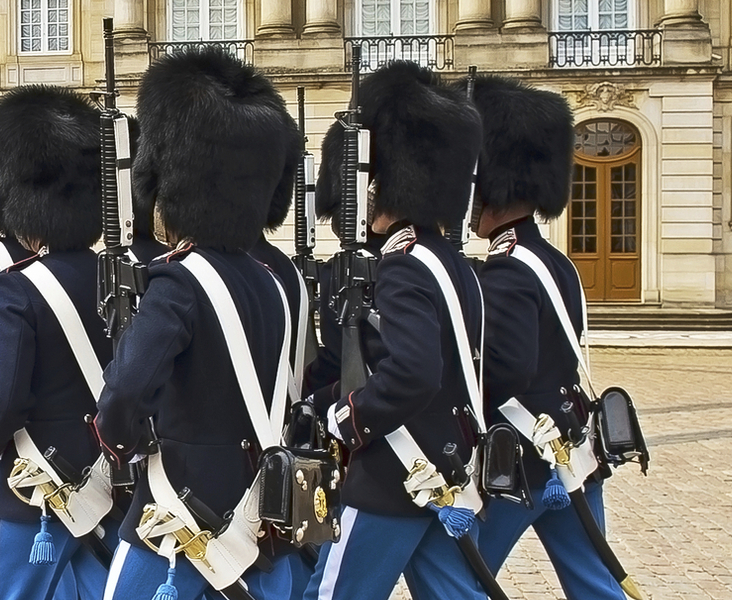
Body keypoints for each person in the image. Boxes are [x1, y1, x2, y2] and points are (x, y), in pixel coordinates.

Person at [96, 48, 305, 600]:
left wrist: (121, 441)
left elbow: (124, 394)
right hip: (259, 508)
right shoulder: (270, 281)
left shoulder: (177, 282)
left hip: (180, 510)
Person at [301, 61, 490, 600]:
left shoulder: (403, 263)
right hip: (448, 461)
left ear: (376, 183)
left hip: (396, 472)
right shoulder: (451, 261)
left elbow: (413, 371)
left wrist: (344, 417)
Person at [459, 75, 626, 599]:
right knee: (594, 581)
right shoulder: (554, 260)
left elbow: (507, 368)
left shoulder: (507, 269)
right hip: (571, 447)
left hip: (523, 458)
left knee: (461, 578)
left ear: (492, 191)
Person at [0, 85, 115, 600]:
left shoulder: (16, 288)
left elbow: (3, 401)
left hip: (37, 487)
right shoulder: (128, 280)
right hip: (109, 483)